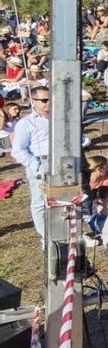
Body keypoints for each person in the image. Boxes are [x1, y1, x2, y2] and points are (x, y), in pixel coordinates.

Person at [11, 86, 49, 237]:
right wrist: (37, 166)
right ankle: (46, 236)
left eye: (51, 99)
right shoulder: (26, 123)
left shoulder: (61, 118)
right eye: (44, 100)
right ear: (33, 102)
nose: (48, 103)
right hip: (41, 163)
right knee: (40, 202)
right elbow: (18, 150)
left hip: (63, 161)